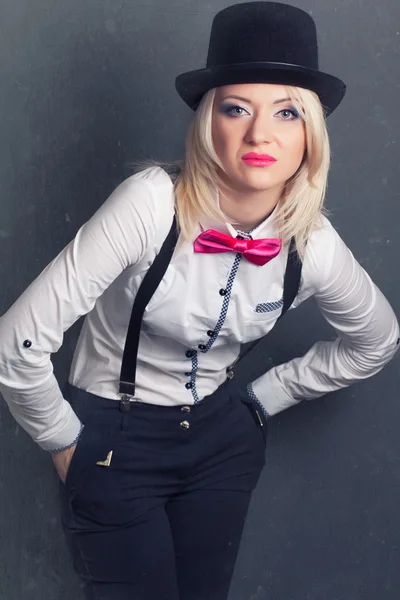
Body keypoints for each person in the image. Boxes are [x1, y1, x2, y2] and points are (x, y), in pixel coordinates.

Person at [0, 2, 398, 599]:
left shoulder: (310, 241)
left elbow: (378, 339)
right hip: (115, 433)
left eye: (286, 113)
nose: (260, 134)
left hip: (221, 441)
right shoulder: (150, 204)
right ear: (208, 122)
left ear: (309, 134)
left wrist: (267, 396)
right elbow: (18, 342)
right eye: (236, 108)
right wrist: (65, 442)